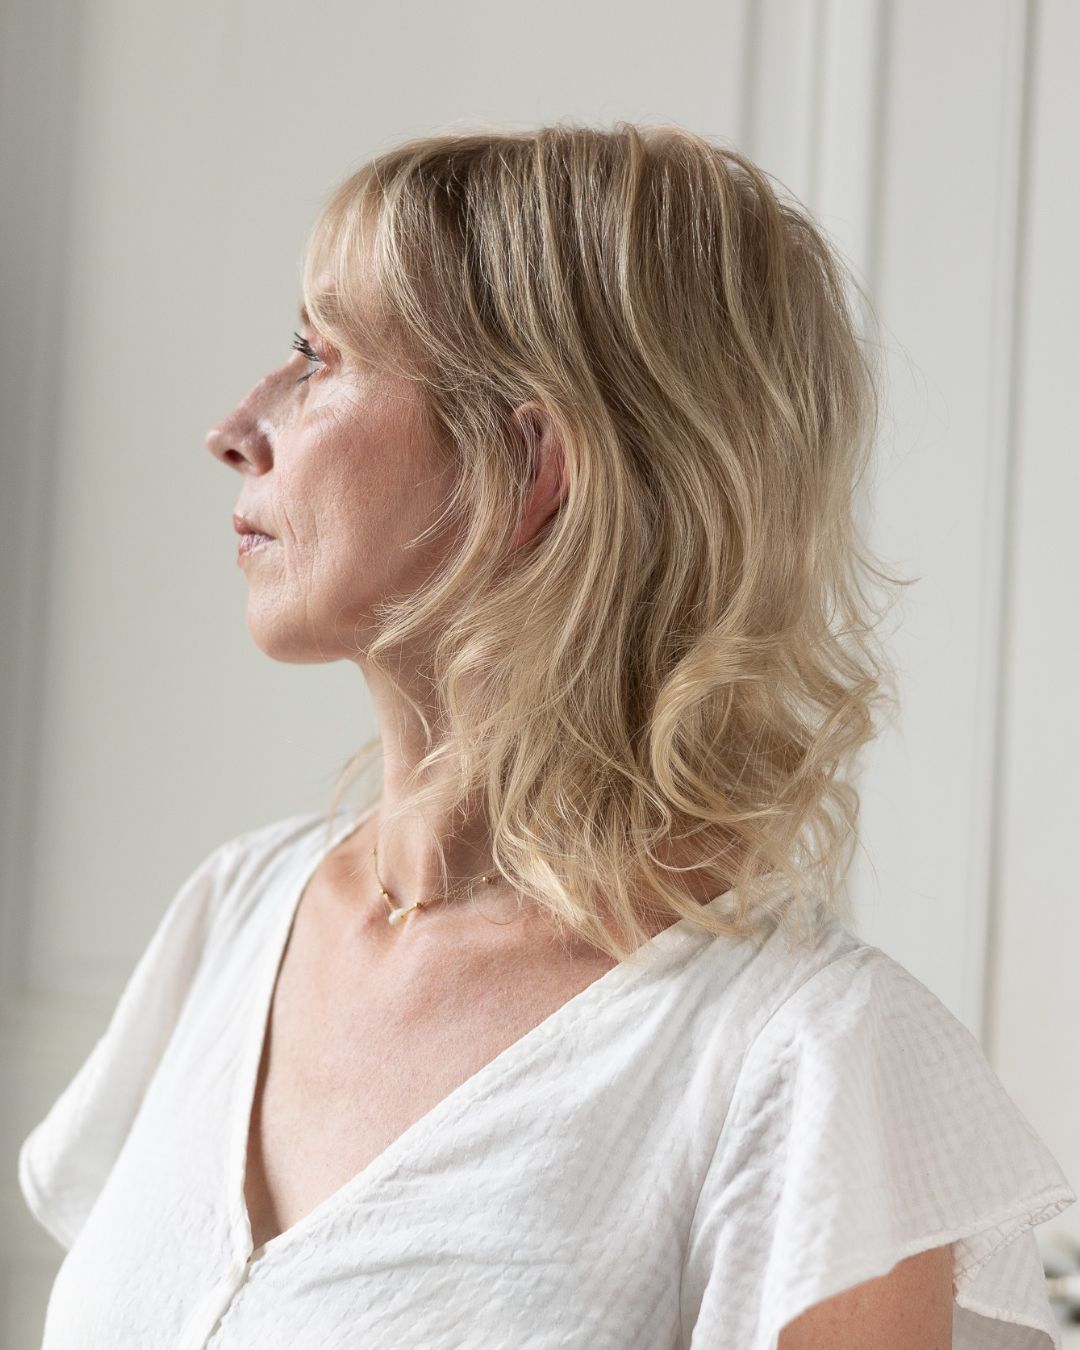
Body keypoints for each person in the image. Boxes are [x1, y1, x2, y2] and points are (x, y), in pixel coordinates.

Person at [18, 122, 1074, 1349]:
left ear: (529, 467)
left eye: (320, 355)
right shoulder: (235, 916)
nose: (239, 425)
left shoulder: (808, 1068)